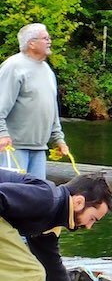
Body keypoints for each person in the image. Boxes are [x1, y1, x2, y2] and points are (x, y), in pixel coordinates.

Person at [0, 23, 70, 180]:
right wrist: (2, 134)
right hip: (12, 147)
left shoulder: (47, 70)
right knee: (13, 196)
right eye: (45, 38)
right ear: (31, 43)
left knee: (37, 197)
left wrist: (59, 139)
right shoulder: (13, 67)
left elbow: (51, 110)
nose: (49, 41)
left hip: (39, 149)